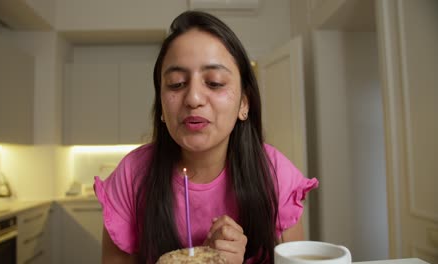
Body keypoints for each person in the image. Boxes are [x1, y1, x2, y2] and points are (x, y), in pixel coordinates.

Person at [94, 10, 318, 264]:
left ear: (244, 103)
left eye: (214, 82)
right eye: (177, 83)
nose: (193, 99)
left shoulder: (274, 173)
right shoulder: (132, 176)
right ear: (162, 109)